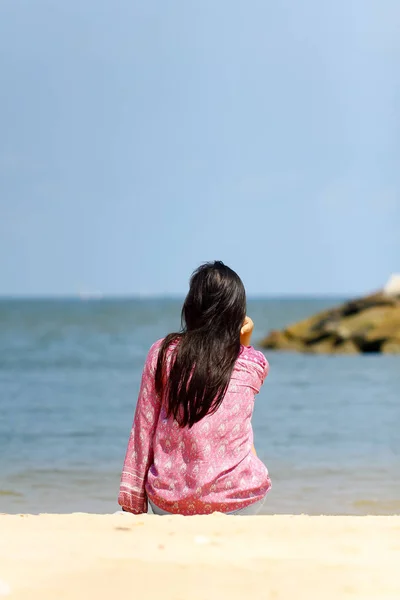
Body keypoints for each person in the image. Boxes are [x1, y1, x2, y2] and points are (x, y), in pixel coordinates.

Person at [118, 261, 271, 515]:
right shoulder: (253, 363)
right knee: (241, 421)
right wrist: (244, 340)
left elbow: (143, 429)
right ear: (237, 313)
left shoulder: (162, 353)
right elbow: (244, 378)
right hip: (239, 501)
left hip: (170, 503)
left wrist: (133, 503)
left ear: (191, 307)